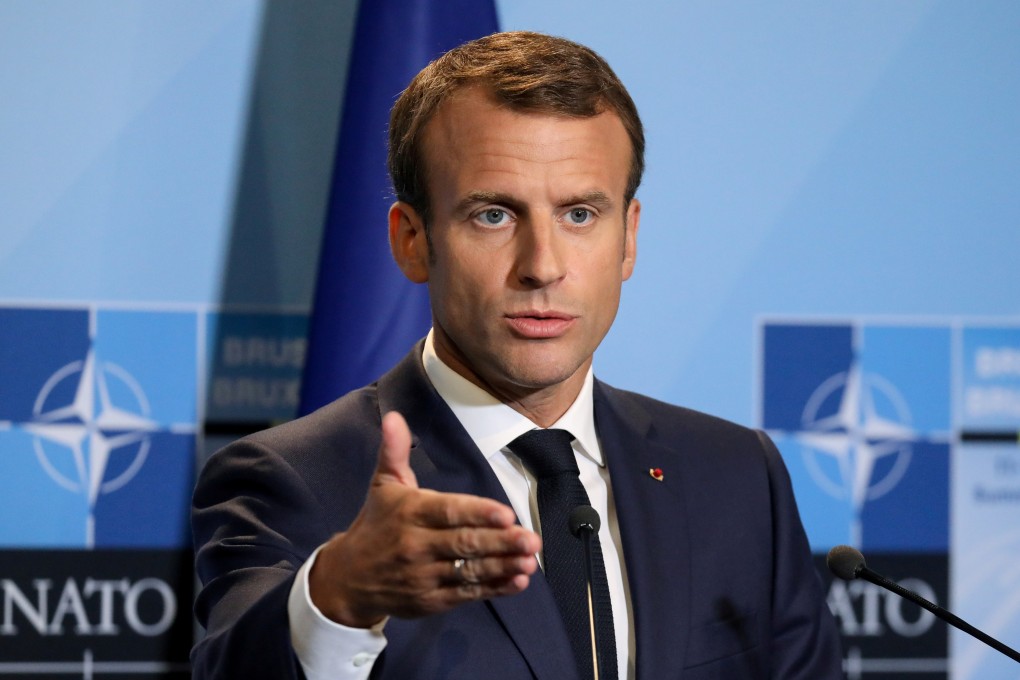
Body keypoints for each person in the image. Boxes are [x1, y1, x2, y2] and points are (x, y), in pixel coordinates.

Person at [191, 31, 843, 679]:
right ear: (412, 241)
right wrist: (339, 597)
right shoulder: (294, 479)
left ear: (629, 237)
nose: (543, 267)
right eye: (494, 215)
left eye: (580, 215)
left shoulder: (734, 477)